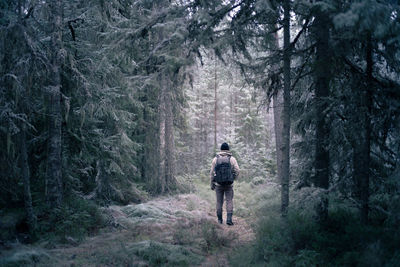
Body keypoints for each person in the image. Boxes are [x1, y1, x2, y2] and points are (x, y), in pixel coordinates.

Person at [210, 142, 240, 225]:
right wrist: (233, 178)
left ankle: (220, 220)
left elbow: (212, 172)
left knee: (219, 202)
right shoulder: (232, 158)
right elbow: (237, 170)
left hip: (218, 184)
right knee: (229, 201)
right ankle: (229, 220)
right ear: (228, 149)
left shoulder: (215, 159)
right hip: (229, 185)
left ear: (221, 149)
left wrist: (212, 183)